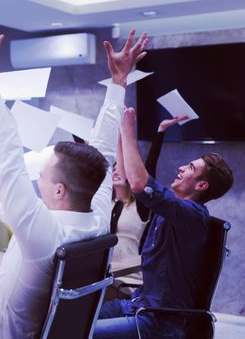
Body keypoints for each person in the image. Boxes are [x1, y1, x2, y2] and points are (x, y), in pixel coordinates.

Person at [0, 10, 148, 339]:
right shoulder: (97, 218)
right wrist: (118, 83)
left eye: (43, 174)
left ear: (59, 191)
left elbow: (5, 154)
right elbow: (101, 152)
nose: (37, 178)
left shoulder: (39, 231)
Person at [94, 108, 233, 338]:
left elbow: (139, 183)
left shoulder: (191, 215)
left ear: (201, 186)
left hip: (159, 321)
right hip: (139, 303)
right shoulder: (171, 204)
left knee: (78, 331)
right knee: (75, 314)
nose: (180, 168)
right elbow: (132, 176)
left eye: (189, 168)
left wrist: (127, 127)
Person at [111, 115, 188, 297]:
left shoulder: (140, 206)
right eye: (112, 169)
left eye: (118, 168)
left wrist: (160, 131)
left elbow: (149, 166)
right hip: (107, 273)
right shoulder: (109, 204)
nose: (115, 171)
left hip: (129, 278)